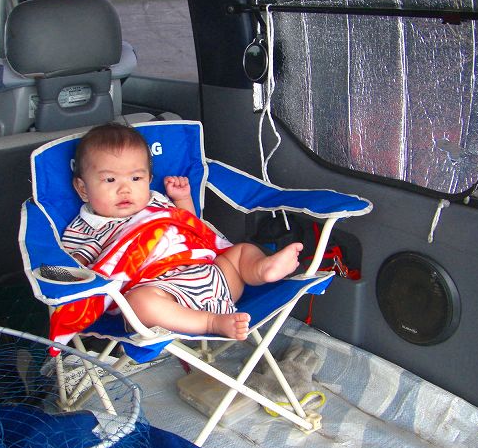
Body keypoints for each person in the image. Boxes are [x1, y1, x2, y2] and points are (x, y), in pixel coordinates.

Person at [61, 123, 303, 340]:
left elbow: (190, 226)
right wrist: (71, 268)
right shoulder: (88, 226)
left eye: (136, 178)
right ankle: (211, 322)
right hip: (160, 292)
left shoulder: (157, 202)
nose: (125, 189)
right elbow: (74, 265)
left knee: (241, 253)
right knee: (138, 305)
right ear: (83, 189)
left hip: (214, 276)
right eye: (110, 180)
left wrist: (183, 199)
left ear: (149, 179)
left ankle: (263, 269)